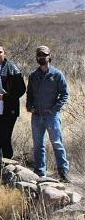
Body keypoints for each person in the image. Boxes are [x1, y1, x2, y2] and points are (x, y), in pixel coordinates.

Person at [26, 45, 70, 182]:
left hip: (52, 116)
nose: (41, 58)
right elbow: (30, 94)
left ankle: (63, 172)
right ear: (36, 58)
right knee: (38, 145)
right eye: (39, 56)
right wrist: (29, 107)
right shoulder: (33, 76)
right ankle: (40, 172)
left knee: (57, 143)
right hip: (37, 116)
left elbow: (64, 94)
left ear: (49, 56)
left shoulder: (57, 74)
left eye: (44, 55)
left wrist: (54, 109)